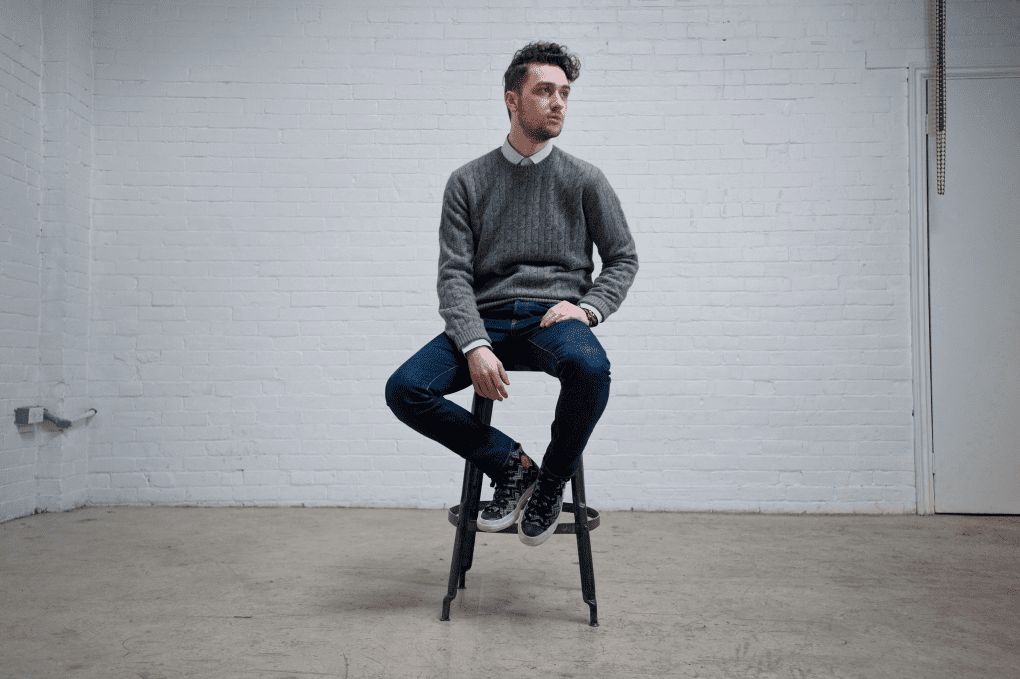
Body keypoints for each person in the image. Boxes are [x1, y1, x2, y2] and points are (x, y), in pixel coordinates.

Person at [385, 42, 638, 547]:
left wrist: (587, 309)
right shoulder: (467, 181)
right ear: (512, 100)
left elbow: (623, 258)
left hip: (553, 320)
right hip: (488, 319)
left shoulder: (585, 179)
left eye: (564, 93)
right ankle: (511, 465)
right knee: (406, 389)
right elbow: (453, 276)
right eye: (544, 91)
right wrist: (474, 344)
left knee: (591, 369)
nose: (558, 102)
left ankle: (550, 482)